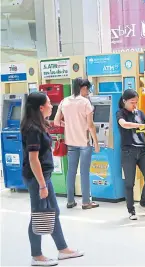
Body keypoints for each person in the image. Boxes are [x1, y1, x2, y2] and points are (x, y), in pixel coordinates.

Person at [21, 92, 84, 266]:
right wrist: (42, 185)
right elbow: (33, 160)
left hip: (44, 176)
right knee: (38, 215)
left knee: (53, 212)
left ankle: (63, 249)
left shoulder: (39, 125)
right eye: (49, 103)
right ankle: (36, 256)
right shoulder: (33, 129)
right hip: (37, 179)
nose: (51, 105)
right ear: (41, 107)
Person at [54, 78, 99, 210]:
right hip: (84, 142)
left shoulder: (64, 101)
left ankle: (70, 201)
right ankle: (86, 202)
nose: (88, 92)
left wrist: (68, 125)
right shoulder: (85, 102)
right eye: (87, 89)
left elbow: (56, 122)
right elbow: (90, 126)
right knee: (84, 172)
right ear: (83, 87)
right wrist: (96, 143)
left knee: (71, 171)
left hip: (70, 142)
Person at [116, 89, 145, 219]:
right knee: (129, 183)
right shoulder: (120, 113)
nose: (135, 105)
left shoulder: (139, 113)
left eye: (136, 102)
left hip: (142, 151)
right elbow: (124, 124)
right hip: (128, 151)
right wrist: (138, 125)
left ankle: (143, 204)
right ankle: (131, 210)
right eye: (132, 102)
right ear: (124, 101)